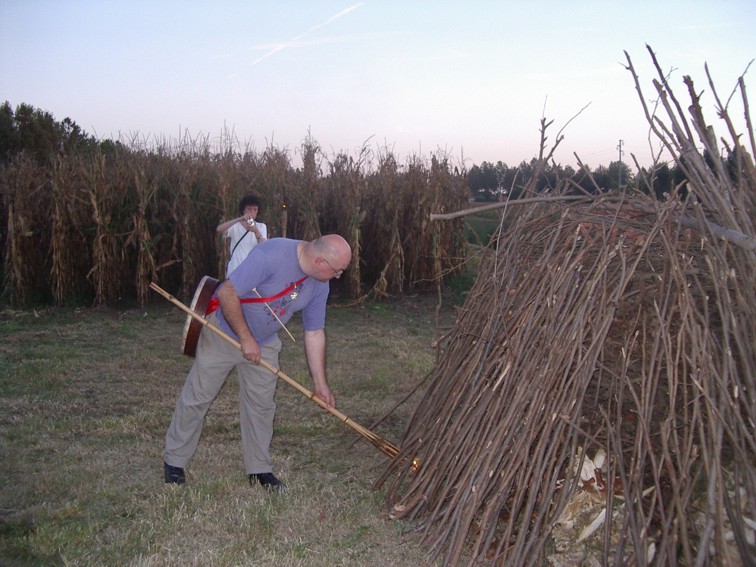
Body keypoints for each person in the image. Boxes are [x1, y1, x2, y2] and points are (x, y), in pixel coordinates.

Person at [163, 234, 352, 491]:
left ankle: (259, 469)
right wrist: (245, 338)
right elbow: (227, 291)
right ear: (320, 261)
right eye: (337, 271)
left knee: (261, 406)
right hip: (226, 333)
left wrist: (320, 385)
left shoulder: (320, 284)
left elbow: (314, 332)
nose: (338, 276)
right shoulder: (271, 255)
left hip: (265, 342)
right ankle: (174, 461)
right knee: (198, 397)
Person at [216, 194, 268, 276]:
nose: (252, 212)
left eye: (255, 210)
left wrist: (255, 231)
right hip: (235, 269)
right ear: (243, 210)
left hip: (252, 270)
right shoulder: (236, 226)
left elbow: (264, 246)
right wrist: (240, 219)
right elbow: (219, 229)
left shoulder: (261, 227)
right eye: (249, 209)